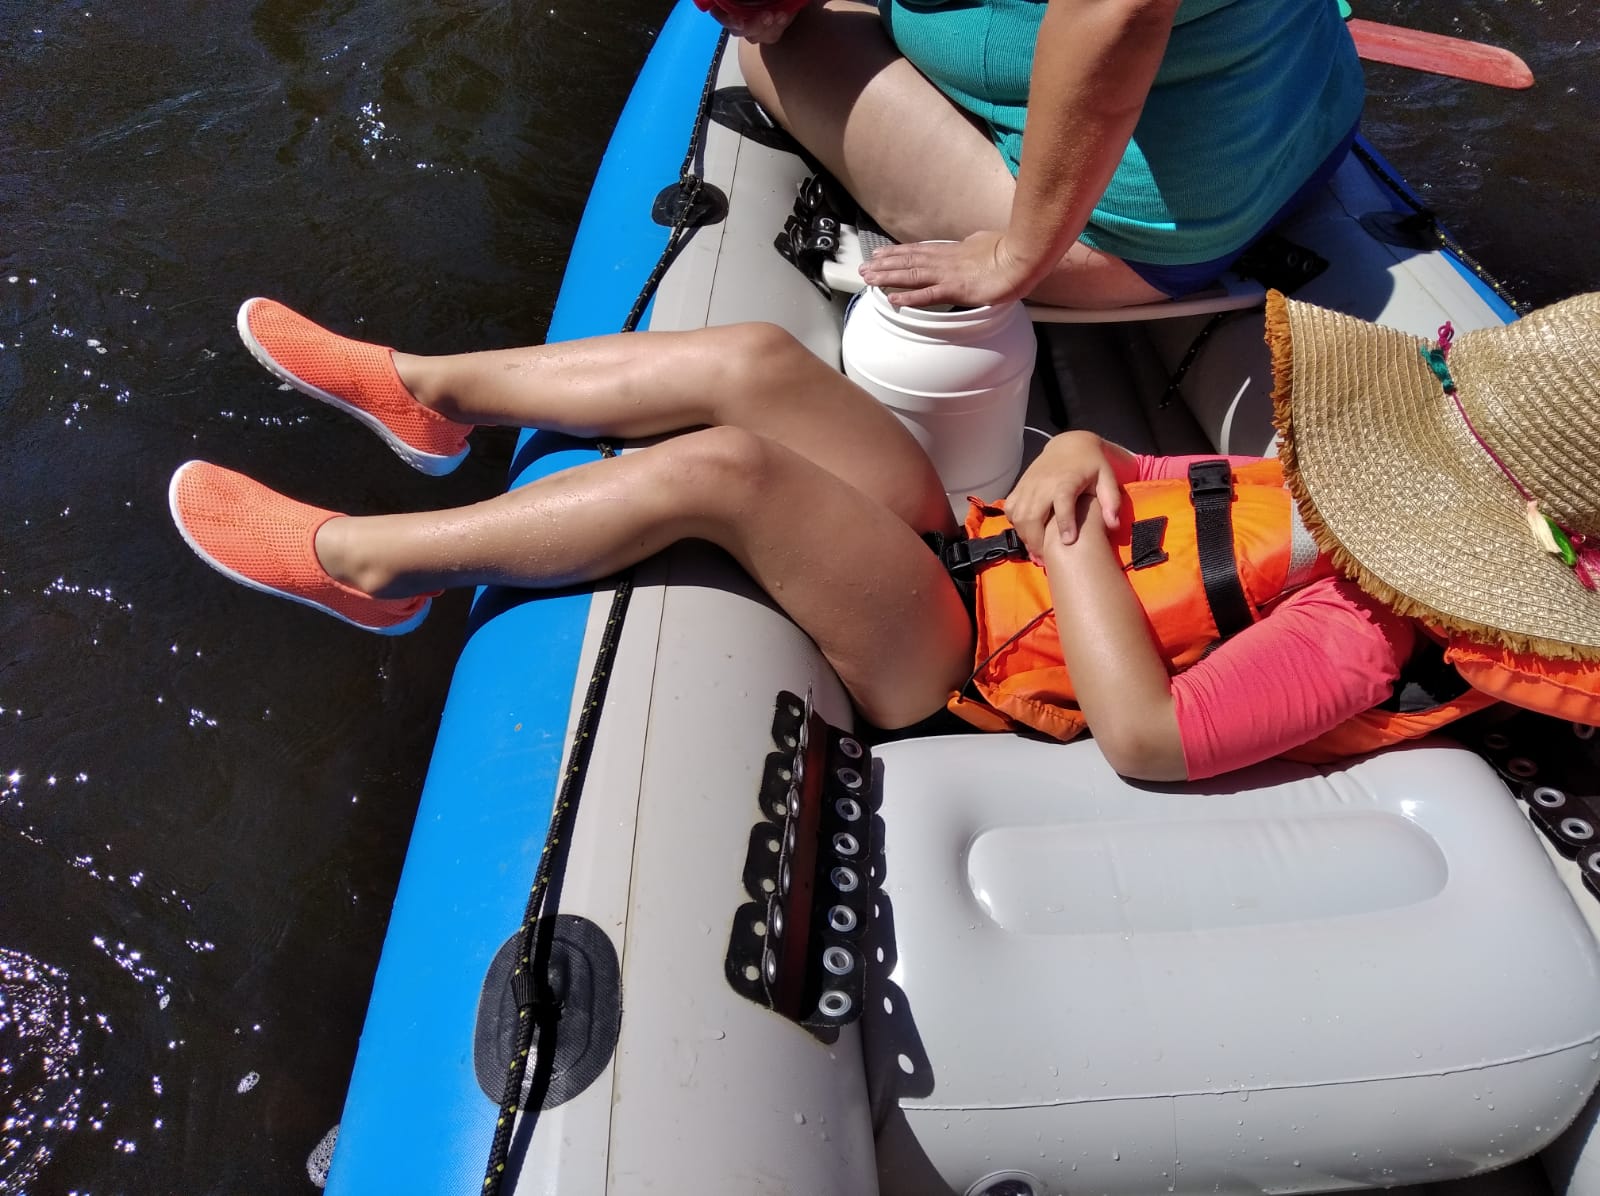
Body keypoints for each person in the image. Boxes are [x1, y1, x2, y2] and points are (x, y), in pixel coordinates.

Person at [169, 295, 1600, 782]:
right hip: (991, 543)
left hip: (964, 658)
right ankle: (429, 392)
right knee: (753, 360)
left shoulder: (1356, 633)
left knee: (729, 471)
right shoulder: (1335, 489)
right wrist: (1091, 456)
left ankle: (375, 568)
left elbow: (1149, 737)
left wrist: (1072, 546)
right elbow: (1174, 479)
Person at [717, 0, 1364, 310]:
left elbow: (1118, 11)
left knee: (781, 51)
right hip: (1309, 120)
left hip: (1127, 233)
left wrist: (1017, 254)